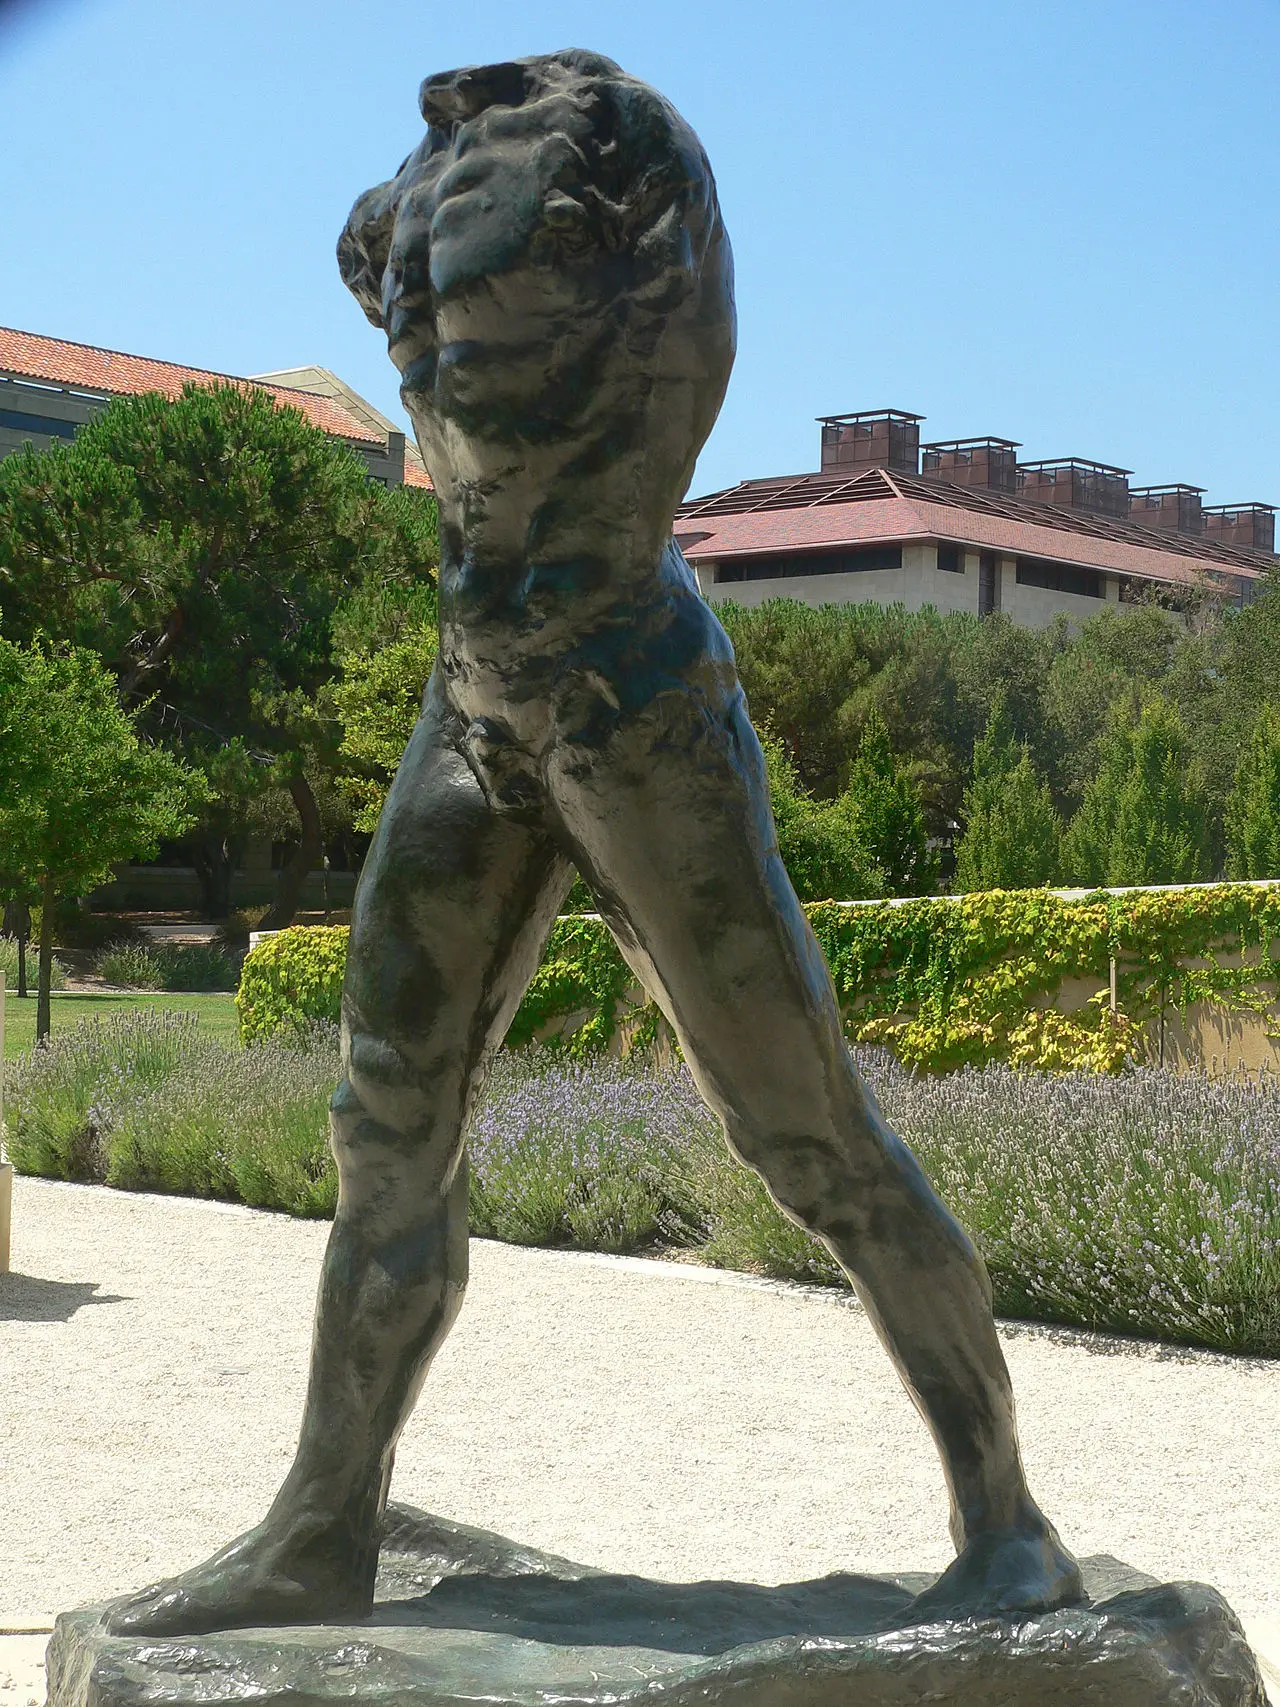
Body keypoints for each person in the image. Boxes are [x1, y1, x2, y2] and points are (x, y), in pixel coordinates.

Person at [109, 48, 1081, 1637]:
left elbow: (670, 359)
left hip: (630, 693)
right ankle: (320, 1527)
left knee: (807, 1136)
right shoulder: (439, 197)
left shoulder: (628, 165)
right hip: (475, 693)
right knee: (384, 1123)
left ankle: (1010, 1525)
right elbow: (378, 263)